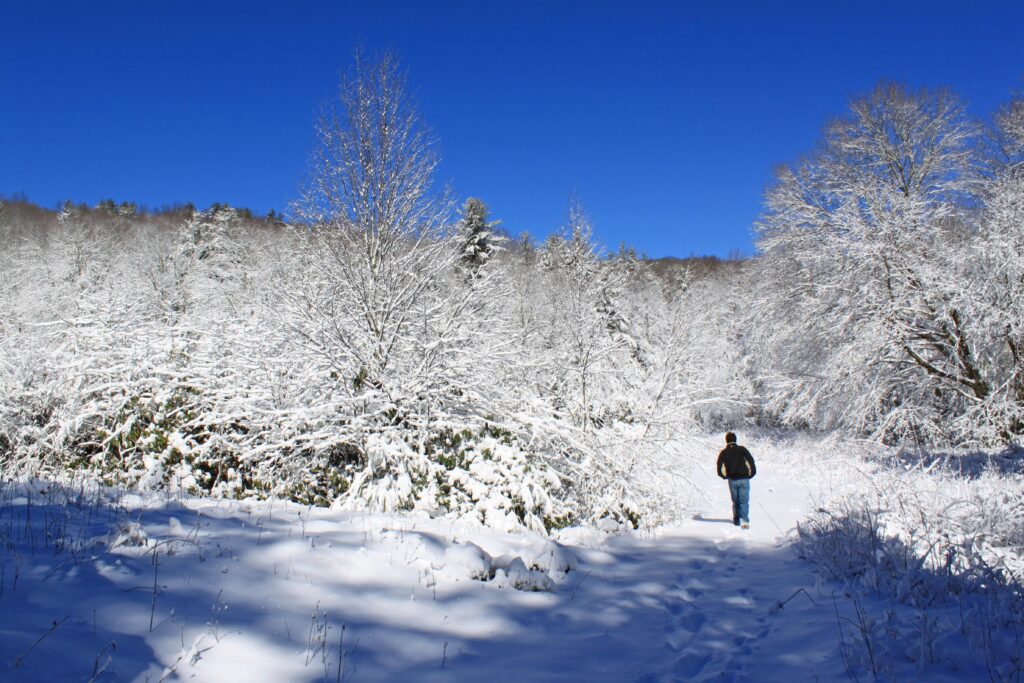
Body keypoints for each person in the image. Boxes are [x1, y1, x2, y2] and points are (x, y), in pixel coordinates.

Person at [716, 432, 756, 528]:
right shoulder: (742, 449)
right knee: (744, 501)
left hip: (732, 480)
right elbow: (751, 460)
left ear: (726, 441)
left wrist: (724, 476)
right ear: (735, 439)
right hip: (744, 479)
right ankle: (744, 522)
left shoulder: (723, 452)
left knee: (735, 501)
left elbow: (719, 466)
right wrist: (752, 473)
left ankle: (736, 520)